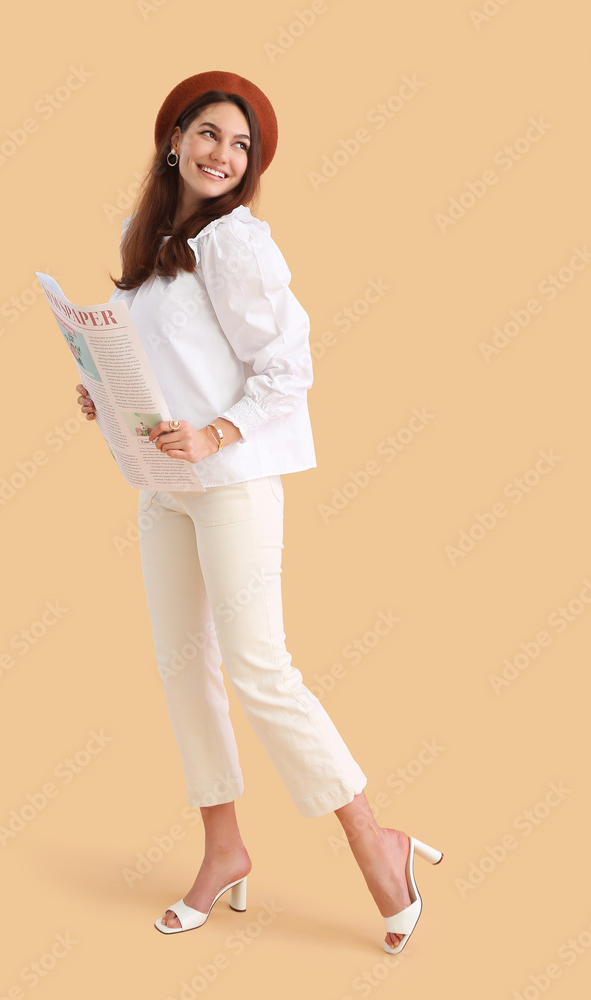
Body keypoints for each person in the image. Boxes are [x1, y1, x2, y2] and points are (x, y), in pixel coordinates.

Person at [75, 70, 443, 953]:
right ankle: (224, 849)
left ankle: (373, 840)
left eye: (240, 146)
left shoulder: (237, 244)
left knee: (259, 668)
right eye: (208, 134)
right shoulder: (147, 235)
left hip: (230, 480)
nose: (222, 155)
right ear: (172, 138)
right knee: (181, 669)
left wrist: (217, 432)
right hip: (161, 487)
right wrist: (99, 388)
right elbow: (154, 354)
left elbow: (289, 368)